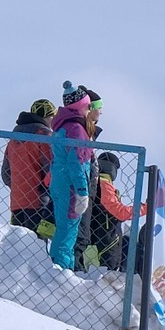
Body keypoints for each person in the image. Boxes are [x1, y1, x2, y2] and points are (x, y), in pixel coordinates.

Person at [46, 85, 99, 269]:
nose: (89, 109)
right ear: (79, 106)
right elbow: (76, 162)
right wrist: (82, 191)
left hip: (60, 182)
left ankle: (57, 266)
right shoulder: (76, 129)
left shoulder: (63, 126)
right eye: (87, 106)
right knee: (68, 231)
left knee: (63, 229)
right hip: (71, 187)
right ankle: (61, 271)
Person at [79, 151, 140, 271]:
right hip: (105, 246)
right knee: (130, 242)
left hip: (85, 241)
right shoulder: (105, 185)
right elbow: (120, 213)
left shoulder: (88, 181)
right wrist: (144, 208)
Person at [2, 100, 55, 231]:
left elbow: (6, 174)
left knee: (19, 245)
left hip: (17, 202)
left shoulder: (13, 140)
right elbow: (50, 168)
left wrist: (20, 187)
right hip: (40, 201)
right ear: (48, 117)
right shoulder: (44, 136)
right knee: (37, 246)